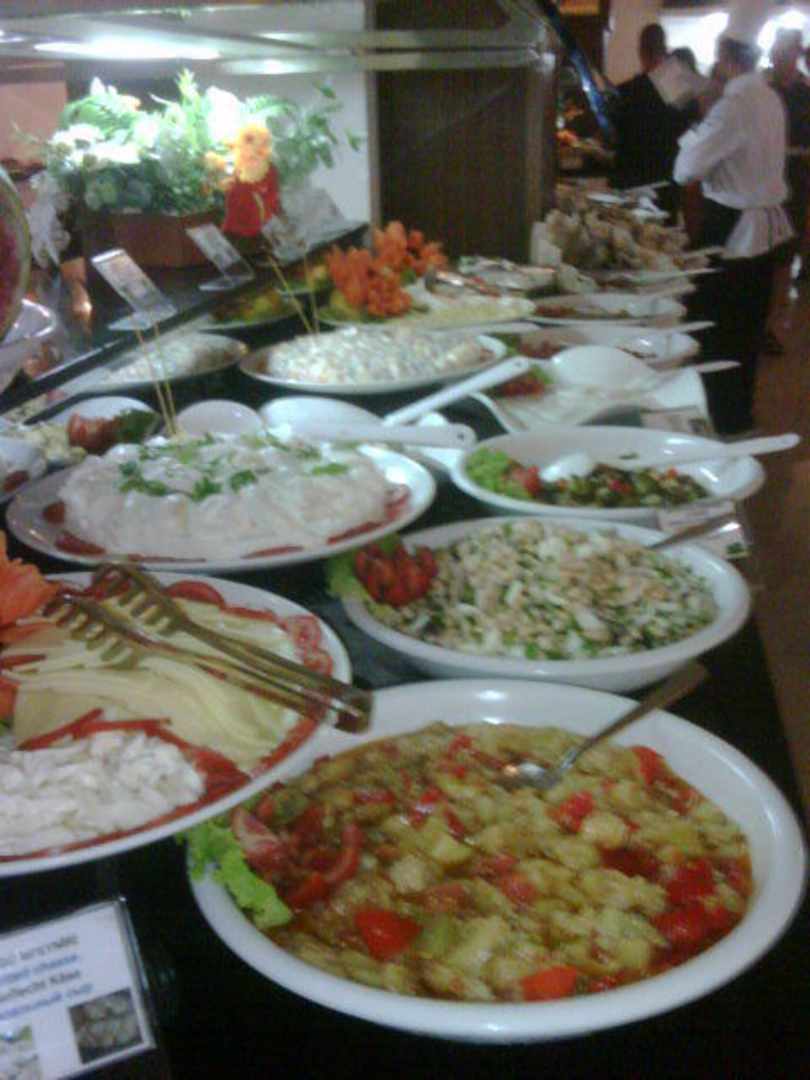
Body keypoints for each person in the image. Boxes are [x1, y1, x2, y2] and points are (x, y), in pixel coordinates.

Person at [674, 31, 793, 434]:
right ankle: (738, 416)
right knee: (747, 328)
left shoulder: (734, 105)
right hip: (763, 228)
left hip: (731, 226)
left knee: (717, 328)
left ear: (726, 57)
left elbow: (685, 169)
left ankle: (719, 422)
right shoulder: (770, 98)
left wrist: (701, 119)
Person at [611, 23, 693, 215]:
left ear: (641, 52)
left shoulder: (625, 92)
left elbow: (613, 136)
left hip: (631, 181)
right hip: (667, 180)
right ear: (664, 49)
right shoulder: (681, 91)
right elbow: (690, 134)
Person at [766, 28, 810, 346]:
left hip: (794, 177)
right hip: (763, 177)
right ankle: (760, 316)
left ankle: (774, 322)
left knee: (784, 253)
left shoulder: (805, 94)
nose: (780, 56)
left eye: (786, 51)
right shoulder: (763, 90)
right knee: (765, 248)